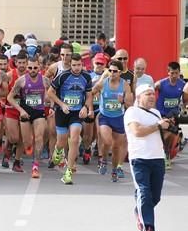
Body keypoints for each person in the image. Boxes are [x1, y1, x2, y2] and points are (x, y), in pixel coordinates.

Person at [124, 84, 170, 231]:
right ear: (138, 97)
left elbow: (158, 132)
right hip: (139, 159)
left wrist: (168, 127)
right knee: (144, 192)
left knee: (155, 197)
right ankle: (148, 230)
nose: (152, 96)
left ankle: (139, 210)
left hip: (157, 158)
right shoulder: (132, 112)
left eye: (153, 94)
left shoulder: (156, 112)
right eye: (148, 94)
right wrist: (157, 125)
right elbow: (137, 132)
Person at [47, 54, 93, 185]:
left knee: (74, 139)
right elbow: (50, 92)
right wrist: (61, 104)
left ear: (82, 64)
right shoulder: (63, 76)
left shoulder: (86, 77)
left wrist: (85, 107)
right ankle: (58, 151)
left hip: (76, 113)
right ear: (70, 64)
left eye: (79, 65)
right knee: (61, 141)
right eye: (74, 65)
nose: (77, 68)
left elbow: (89, 95)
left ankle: (68, 172)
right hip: (62, 112)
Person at [7, 56, 50, 179]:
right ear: (27, 68)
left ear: (39, 68)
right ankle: (25, 150)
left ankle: (35, 166)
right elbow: (10, 97)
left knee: (39, 138)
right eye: (30, 68)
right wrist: (20, 110)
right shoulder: (21, 81)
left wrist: (50, 105)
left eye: (35, 68)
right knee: (26, 143)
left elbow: (52, 94)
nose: (32, 70)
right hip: (25, 112)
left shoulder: (45, 80)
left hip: (39, 112)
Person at [93, 60, 132, 181]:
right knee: (107, 142)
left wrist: (123, 101)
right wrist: (88, 107)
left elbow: (130, 104)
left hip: (119, 118)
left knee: (116, 148)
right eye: (110, 70)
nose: (112, 73)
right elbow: (90, 93)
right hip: (105, 117)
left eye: (115, 71)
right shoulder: (103, 83)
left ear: (120, 72)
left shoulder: (125, 85)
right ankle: (104, 160)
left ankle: (114, 170)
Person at [154, 61, 188, 168]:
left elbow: (185, 100)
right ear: (168, 72)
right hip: (161, 114)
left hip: (174, 115)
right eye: (172, 73)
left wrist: (183, 108)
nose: (174, 76)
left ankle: (170, 150)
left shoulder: (182, 85)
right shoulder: (161, 84)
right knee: (164, 135)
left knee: (170, 135)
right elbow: (150, 91)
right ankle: (169, 151)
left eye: (176, 73)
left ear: (179, 73)